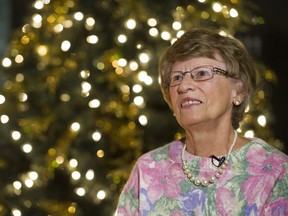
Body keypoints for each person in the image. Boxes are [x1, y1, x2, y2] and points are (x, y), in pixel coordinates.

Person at [115, 28, 288, 215]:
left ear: (238, 91)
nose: (183, 86)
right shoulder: (148, 168)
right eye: (177, 77)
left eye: (202, 73)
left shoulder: (275, 171)